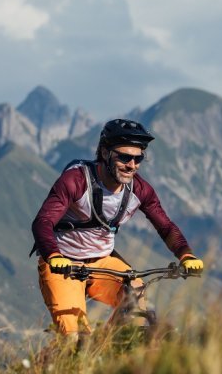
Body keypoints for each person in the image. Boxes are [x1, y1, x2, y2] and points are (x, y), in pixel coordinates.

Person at [31, 118, 204, 341]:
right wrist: (53, 256)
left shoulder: (140, 189)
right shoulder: (76, 181)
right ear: (104, 152)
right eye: (124, 157)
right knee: (75, 338)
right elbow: (42, 222)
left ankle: (107, 350)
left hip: (103, 261)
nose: (132, 165)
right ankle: (64, 363)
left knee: (136, 298)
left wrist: (186, 255)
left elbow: (165, 226)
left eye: (138, 158)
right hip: (63, 264)